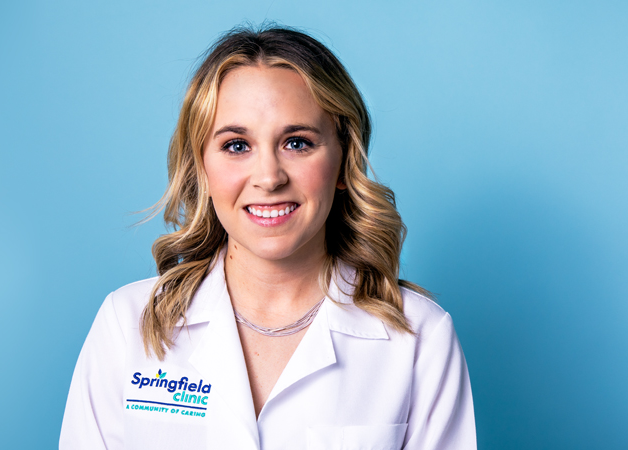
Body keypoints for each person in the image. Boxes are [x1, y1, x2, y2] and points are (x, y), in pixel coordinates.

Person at [60, 25, 476, 450]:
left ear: (344, 158)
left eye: (297, 142)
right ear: (201, 165)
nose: (269, 178)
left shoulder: (419, 337)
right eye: (237, 146)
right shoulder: (126, 325)